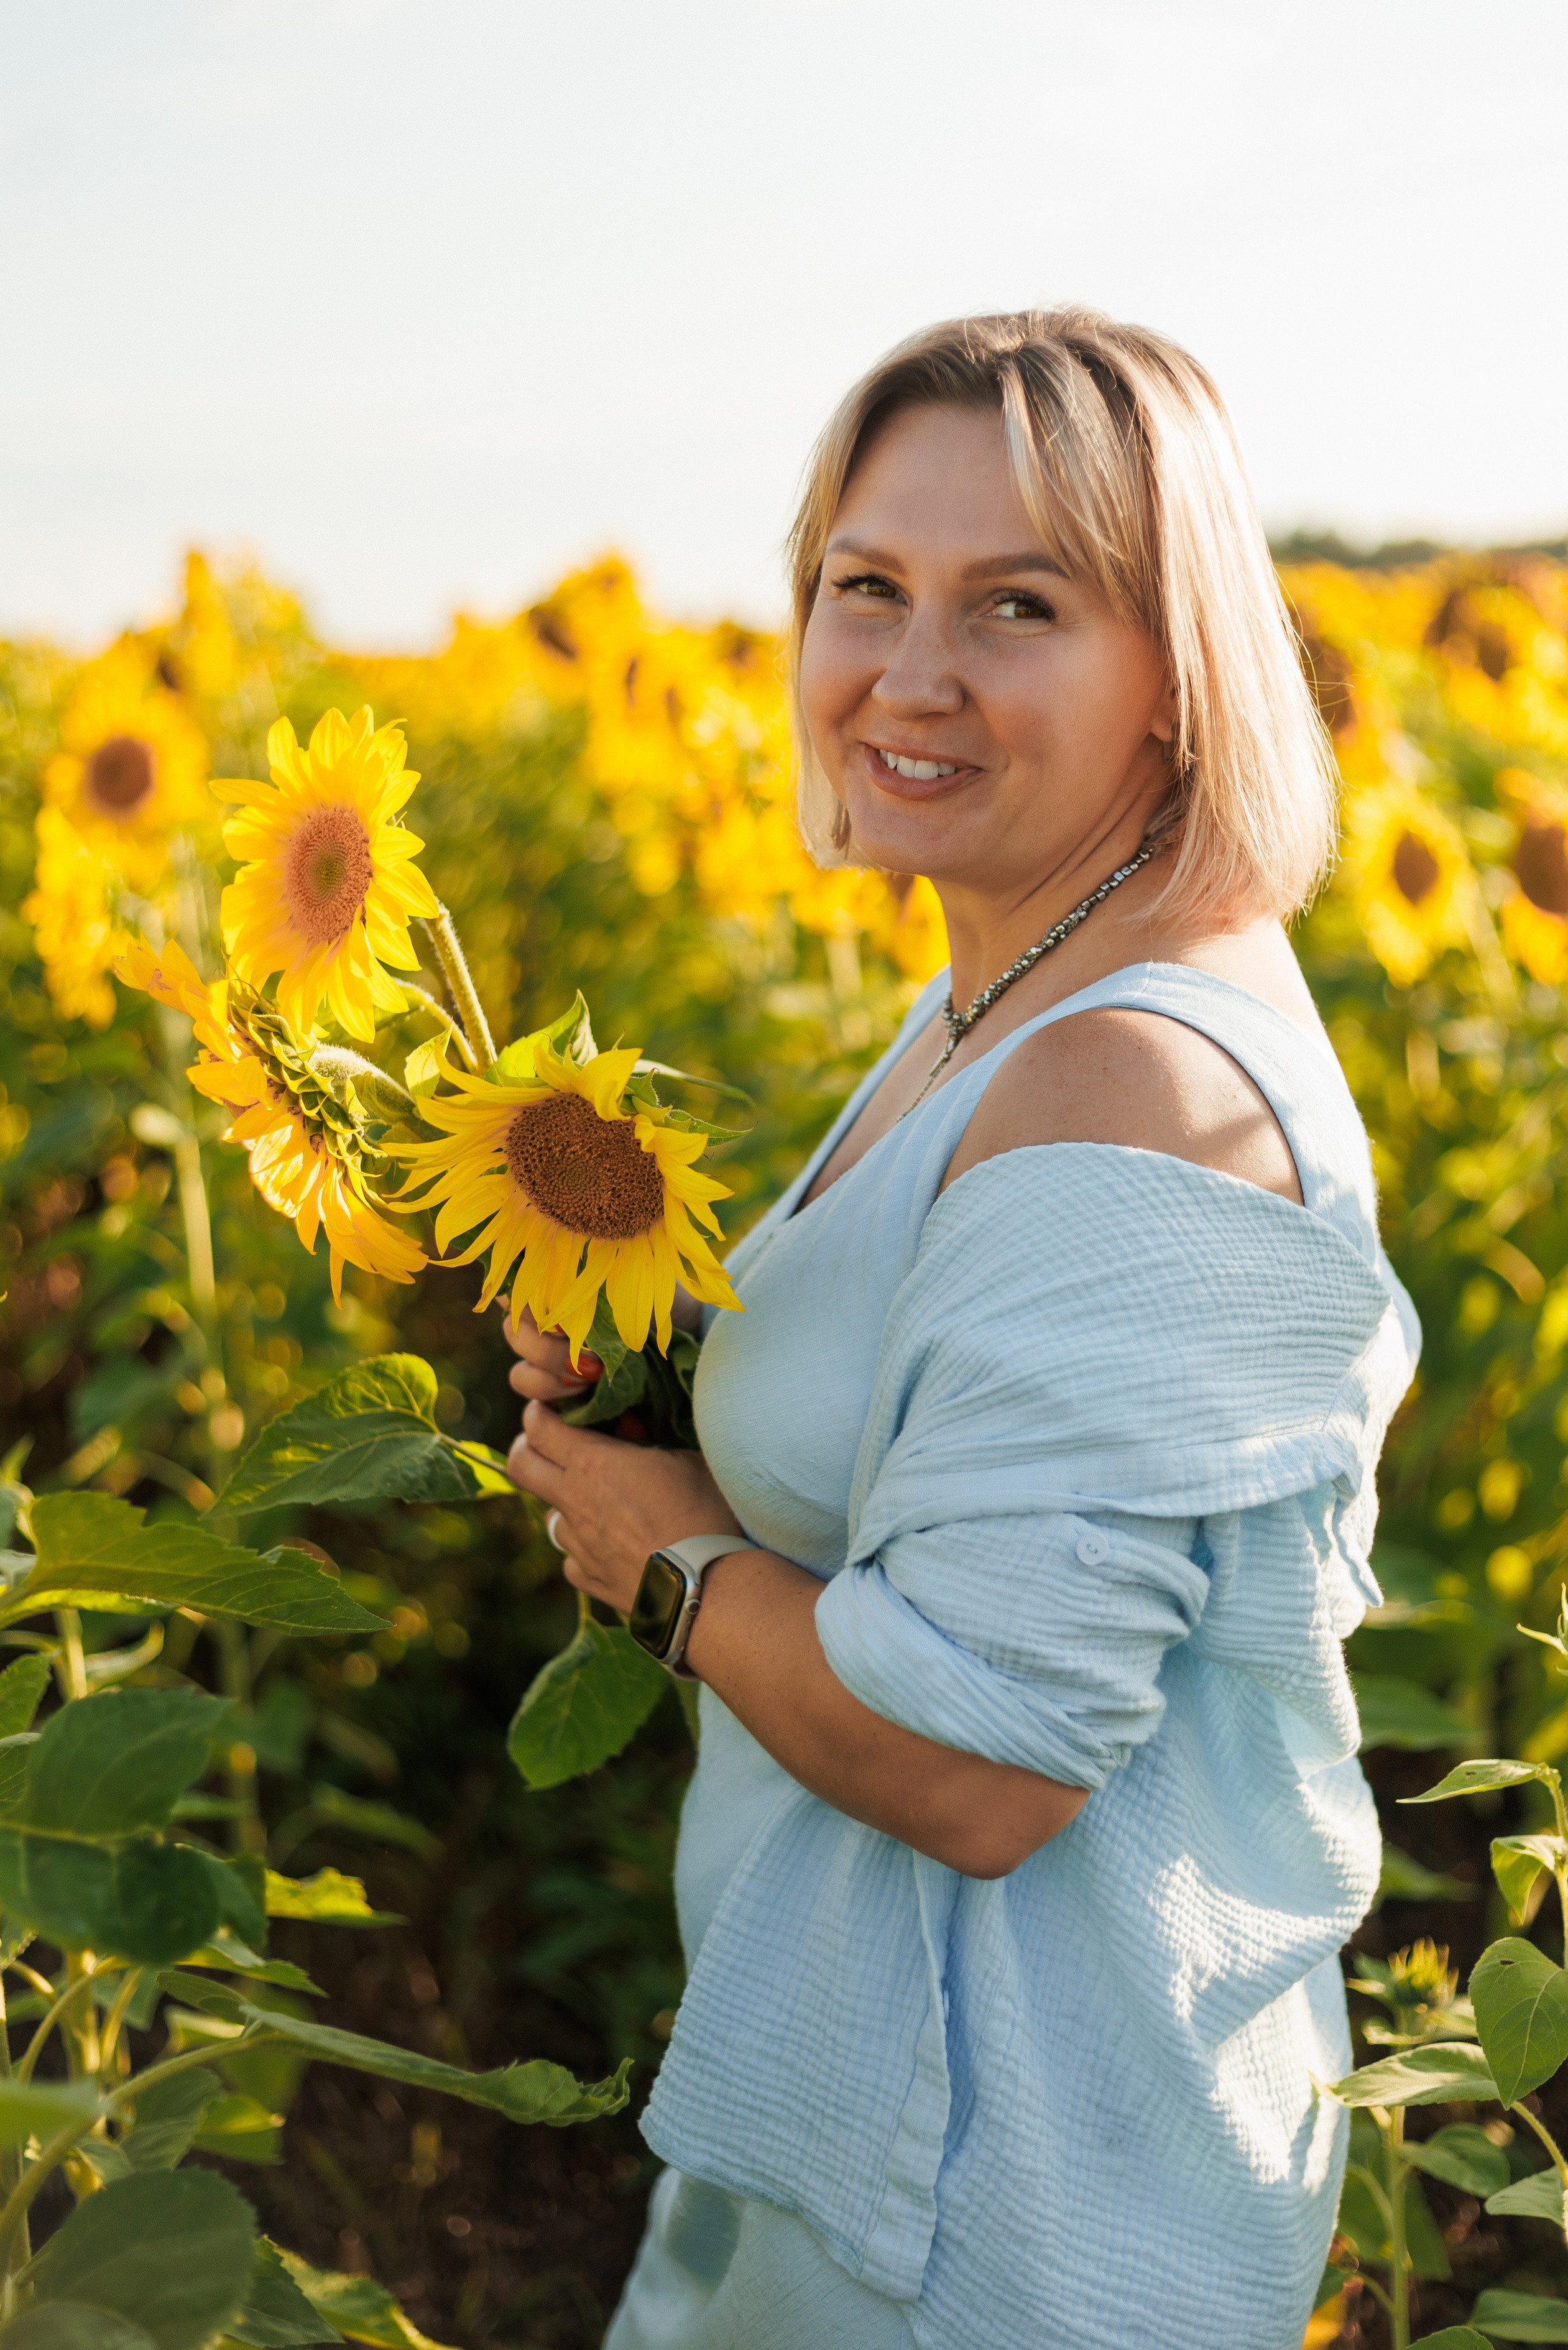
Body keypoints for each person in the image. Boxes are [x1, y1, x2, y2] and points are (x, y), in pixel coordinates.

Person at [504, 308, 1419, 2350]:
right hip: (882, 2103)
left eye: (1019, 605)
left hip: (1013, 2196)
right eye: (865, 587)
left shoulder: (1137, 1087)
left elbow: (979, 1757)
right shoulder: (1000, 990)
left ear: (1182, 669)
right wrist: (682, 1381)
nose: (910, 676)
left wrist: (656, 1550)